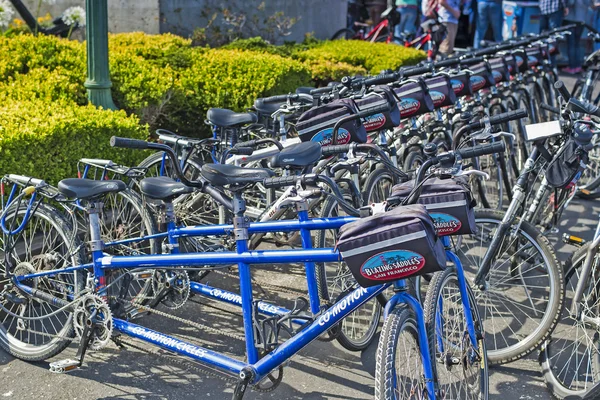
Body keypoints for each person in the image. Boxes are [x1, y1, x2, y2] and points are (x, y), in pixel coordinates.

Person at [563, 0, 592, 73]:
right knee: (577, 44)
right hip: (581, 19)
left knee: (571, 44)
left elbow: (570, 3)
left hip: (571, 19)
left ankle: (572, 67)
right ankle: (578, 66)